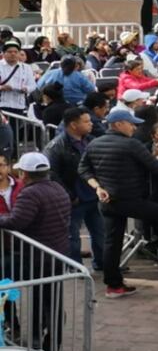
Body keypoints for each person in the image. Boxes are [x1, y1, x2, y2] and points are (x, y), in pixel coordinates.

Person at [78, 110, 158, 298]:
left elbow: (83, 169)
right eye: (131, 123)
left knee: (112, 243)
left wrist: (97, 188)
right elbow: (155, 167)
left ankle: (114, 286)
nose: (134, 127)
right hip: (129, 200)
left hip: (107, 202)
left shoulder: (94, 143)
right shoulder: (131, 144)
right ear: (118, 125)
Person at [0, 152, 71, 350]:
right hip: (56, 252)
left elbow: (17, 221)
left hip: (39, 256)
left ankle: (40, 343)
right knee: (51, 299)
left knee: (43, 300)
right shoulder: (57, 188)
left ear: (24, 174)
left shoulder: (30, 193)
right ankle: (49, 343)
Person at [44, 107, 104, 270]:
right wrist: (69, 196)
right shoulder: (56, 146)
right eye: (86, 121)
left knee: (100, 233)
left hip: (93, 196)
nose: (91, 124)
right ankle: (75, 268)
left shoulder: (91, 141)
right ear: (73, 125)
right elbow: (52, 174)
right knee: (72, 237)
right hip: (73, 199)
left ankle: (102, 263)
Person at [0, 40, 35, 116]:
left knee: (15, 127)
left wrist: (26, 89)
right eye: (9, 52)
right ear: (3, 53)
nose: (13, 54)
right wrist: (2, 87)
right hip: (2, 104)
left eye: (16, 52)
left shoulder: (26, 67)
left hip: (18, 105)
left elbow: (33, 85)